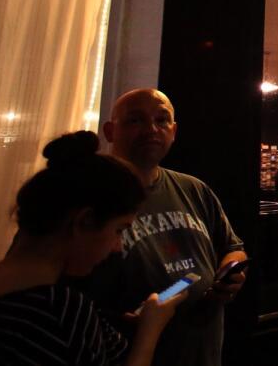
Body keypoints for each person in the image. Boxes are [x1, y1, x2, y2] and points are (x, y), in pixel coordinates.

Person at [0, 132, 184, 365]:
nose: (117, 247)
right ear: (84, 221)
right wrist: (150, 333)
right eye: (119, 230)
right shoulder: (59, 310)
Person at [86, 88, 247, 366]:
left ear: (173, 131)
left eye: (162, 121)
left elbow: (234, 248)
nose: (151, 129)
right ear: (110, 131)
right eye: (136, 120)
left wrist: (230, 274)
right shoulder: (88, 196)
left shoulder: (194, 189)